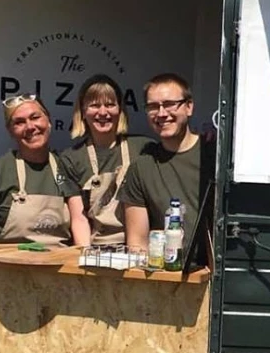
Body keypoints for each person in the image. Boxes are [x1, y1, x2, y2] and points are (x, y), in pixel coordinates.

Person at [0, 93, 81, 245]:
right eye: (19, 122)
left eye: (35, 117)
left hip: (57, 264)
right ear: (10, 131)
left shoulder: (67, 166)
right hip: (8, 265)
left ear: (49, 120)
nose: (30, 127)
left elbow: (81, 223)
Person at [120, 73, 214, 259]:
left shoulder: (213, 156)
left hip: (210, 275)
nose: (162, 114)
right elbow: (137, 243)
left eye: (170, 104)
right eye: (153, 107)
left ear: (189, 107)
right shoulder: (141, 168)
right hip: (163, 274)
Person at [59, 74, 153, 246]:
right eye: (94, 105)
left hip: (140, 248)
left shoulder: (144, 148)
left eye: (110, 104)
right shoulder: (71, 158)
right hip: (96, 249)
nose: (103, 112)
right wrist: (85, 256)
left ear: (120, 110)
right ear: (83, 112)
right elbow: (79, 218)